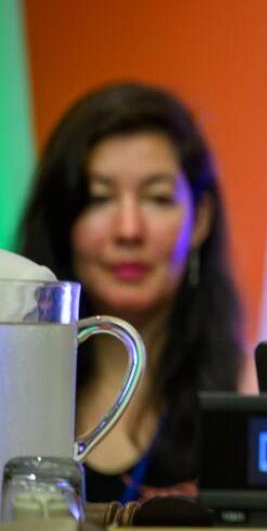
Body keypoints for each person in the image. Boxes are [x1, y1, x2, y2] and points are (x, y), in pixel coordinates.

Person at [18, 82, 243, 503]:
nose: (128, 230)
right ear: (61, 220)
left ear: (200, 221)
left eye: (157, 198)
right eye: (99, 198)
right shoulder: (9, 388)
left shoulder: (249, 394)